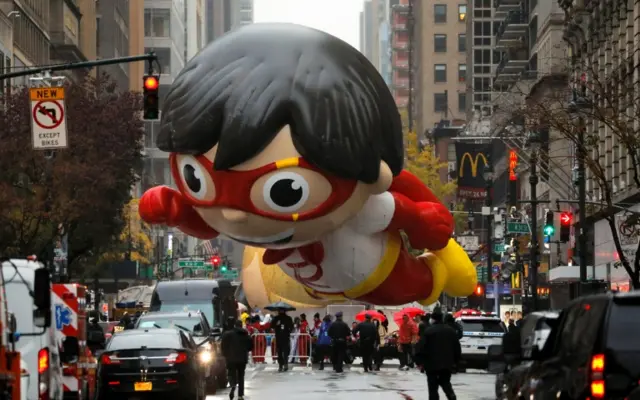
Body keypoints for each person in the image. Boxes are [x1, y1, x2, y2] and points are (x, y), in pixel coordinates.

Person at [138, 23, 478, 308]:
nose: (235, 216)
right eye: (195, 178)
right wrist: (179, 212)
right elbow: (210, 223)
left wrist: (426, 227)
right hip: (306, 280)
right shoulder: (228, 213)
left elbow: (406, 204)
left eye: (285, 189)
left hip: (378, 272)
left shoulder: (368, 209)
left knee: (416, 285)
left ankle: (440, 271)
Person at [414, 309, 461, 400]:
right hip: (447, 364)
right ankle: (451, 396)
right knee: (445, 382)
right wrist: (456, 362)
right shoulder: (450, 331)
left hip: (431, 364)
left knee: (432, 388)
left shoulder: (428, 331)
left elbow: (421, 347)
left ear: (433, 319)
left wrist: (419, 362)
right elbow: (457, 348)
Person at [221, 320, 253, 400]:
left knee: (231, 373)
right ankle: (240, 395)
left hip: (231, 358)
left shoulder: (228, 334)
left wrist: (225, 354)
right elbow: (251, 346)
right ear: (241, 325)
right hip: (242, 358)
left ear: (235, 325)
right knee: (241, 375)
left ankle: (233, 385)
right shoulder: (246, 334)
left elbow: (223, 345)